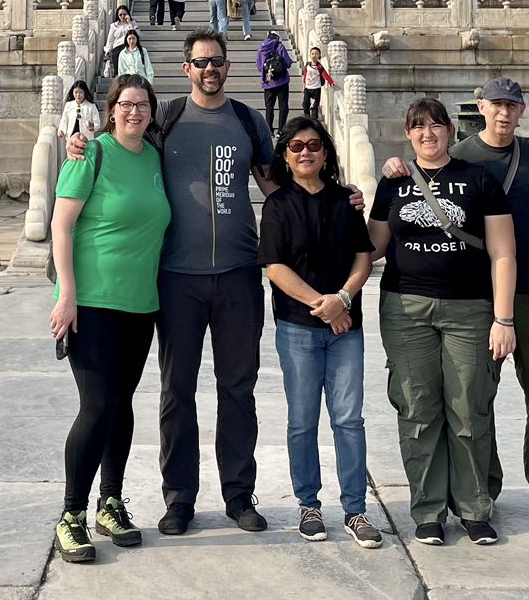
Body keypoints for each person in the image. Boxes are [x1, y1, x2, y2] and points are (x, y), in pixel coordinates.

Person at [64, 30, 286, 536]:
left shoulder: (248, 122)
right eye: (200, 62)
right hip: (176, 278)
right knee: (176, 391)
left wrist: (341, 196)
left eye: (218, 61)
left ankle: (238, 493)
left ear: (229, 66)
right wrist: (83, 141)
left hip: (236, 275)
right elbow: (123, 143)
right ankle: (179, 497)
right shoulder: (167, 121)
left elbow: (280, 187)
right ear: (185, 68)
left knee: (238, 389)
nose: (210, 68)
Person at [371, 96, 517, 546]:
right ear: (408, 133)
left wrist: (504, 317)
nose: (427, 134)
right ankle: (428, 508)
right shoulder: (394, 183)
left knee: (469, 407)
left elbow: (503, 252)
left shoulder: (478, 179)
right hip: (405, 308)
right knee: (417, 409)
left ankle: (474, 506)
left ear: (450, 131)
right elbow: (371, 245)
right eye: (418, 127)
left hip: (469, 309)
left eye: (435, 126)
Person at [48, 75, 172, 564]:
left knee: (122, 405)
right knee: (96, 405)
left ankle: (111, 501)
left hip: (140, 304)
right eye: (126, 104)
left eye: (142, 104)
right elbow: (60, 225)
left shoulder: (156, 159)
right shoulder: (90, 154)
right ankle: (72, 514)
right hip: (93, 301)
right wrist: (67, 294)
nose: (134, 112)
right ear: (111, 109)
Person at [449, 77, 529, 524]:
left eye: (513, 106)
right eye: (496, 105)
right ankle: (482, 485)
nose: (504, 113)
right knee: (476, 395)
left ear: (523, 111)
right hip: (476, 297)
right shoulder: (461, 156)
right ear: (481, 106)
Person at [258, 116, 381, 548]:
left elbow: (364, 257)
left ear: (326, 152)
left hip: (347, 325)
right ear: (285, 156)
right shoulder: (277, 205)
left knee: (349, 419)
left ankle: (356, 509)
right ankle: (308, 504)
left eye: (313, 145)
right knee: (302, 420)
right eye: (295, 147)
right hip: (298, 327)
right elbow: (275, 268)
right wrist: (325, 307)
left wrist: (342, 300)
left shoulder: (344, 200)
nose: (305, 152)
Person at [257, 30, 293, 133]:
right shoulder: (280, 46)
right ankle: (281, 130)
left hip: (268, 83)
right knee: (283, 106)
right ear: (277, 37)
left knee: (269, 107)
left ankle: (269, 130)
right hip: (282, 81)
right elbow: (288, 63)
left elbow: (259, 66)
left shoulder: (261, 48)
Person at [102, 6, 137, 81]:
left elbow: (135, 35)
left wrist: (129, 22)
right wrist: (107, 51)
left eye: (124, 14)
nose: (123, 16)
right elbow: (110, 40)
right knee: (117, 53)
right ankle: (117, 75)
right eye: (120, 15)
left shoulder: (133, 23)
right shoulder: (114, 26)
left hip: (129, 47)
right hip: (117, 48)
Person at [300, 46, 335, 120]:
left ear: (319, 55)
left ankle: (314, 121)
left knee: (315, 106)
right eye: (312, 54)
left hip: (316, 88)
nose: (314, 55)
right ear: (310, 55)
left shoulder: (319, 67)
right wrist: (304, 85)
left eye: (316, 54)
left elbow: (325, 74)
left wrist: (331, 82)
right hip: (307, 88)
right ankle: (307, 118)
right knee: (305, 104)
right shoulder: (307, 65)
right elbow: (305, 75)